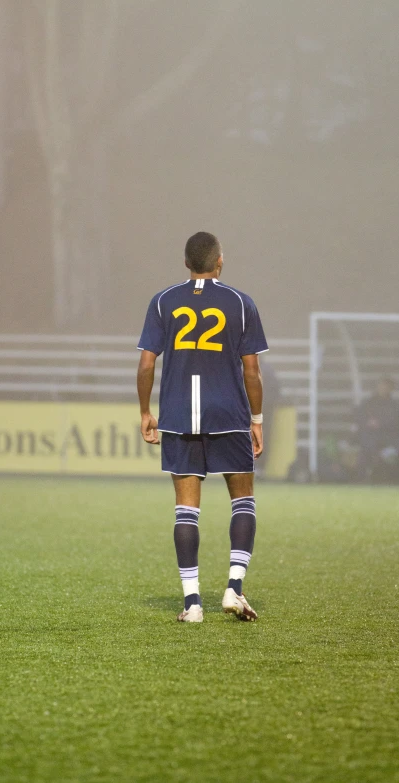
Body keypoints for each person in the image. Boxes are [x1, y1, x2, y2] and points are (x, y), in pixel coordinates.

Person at [136, 231, 268, 622]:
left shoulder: (163, 301)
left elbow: (146, 364)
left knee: (185, 510)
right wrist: (257, 420)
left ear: (186, 263)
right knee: (242, 500)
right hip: (228, 414)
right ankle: (234, 588)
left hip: (178, 413)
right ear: (219, 261)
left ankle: (192, 604)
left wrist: (145, 412)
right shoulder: (241, 304)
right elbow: (253, 370)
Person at [353, 376, 399, 482]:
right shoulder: (368, 402)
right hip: (368, 437)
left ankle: (372, 473)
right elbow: (359, 416)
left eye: (386, 386)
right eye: (382, 386)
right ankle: (362, 476)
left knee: (371, 447)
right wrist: (368, 422)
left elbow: (396, 422)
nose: (383, 388)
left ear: (391, 389)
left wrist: (381, 424)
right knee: (367, 444)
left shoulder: (395, 406)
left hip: (386, 438)